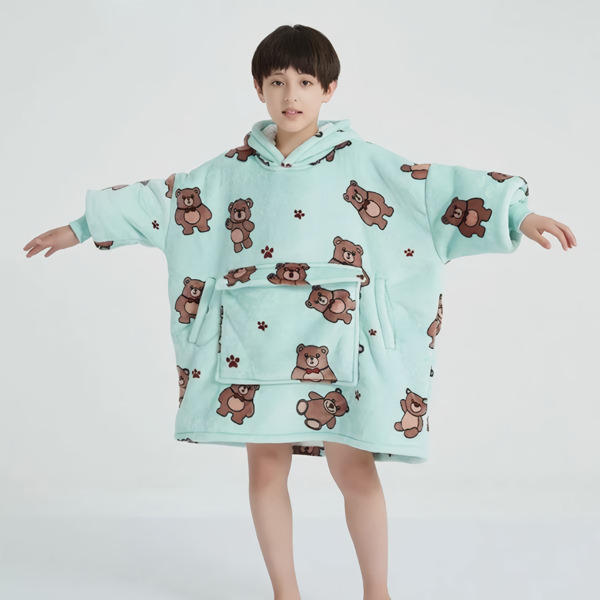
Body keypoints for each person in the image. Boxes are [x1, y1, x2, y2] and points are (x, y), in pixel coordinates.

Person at [23, 23, 576, 600]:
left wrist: (519, 215)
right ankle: (285, 593)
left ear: (329, 89)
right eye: (277, 82)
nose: (291, 95)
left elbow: (436, 192)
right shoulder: (226, 172)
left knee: (354, 468)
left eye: (306, 82)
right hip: (254, 345)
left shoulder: (369, 166)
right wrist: (80, 228)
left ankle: (378, 593)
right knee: (266, 468)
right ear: (258, 88)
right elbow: (161, 201)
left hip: (342, 345)